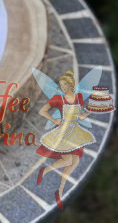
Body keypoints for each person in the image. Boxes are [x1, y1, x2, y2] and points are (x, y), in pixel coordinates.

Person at [35, 69, 95, 209]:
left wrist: (90, 111)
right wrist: (53, 119)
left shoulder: (78, 98)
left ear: (69, 85)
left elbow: (79, 117)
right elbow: (42, 111)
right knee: (69, 160)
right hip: (64, 131)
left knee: (75, 161)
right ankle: (48, 173)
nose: (62, 88)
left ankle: (60, 190)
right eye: (61, 86)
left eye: (64, 85)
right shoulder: (58, 99)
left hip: (76, 131)